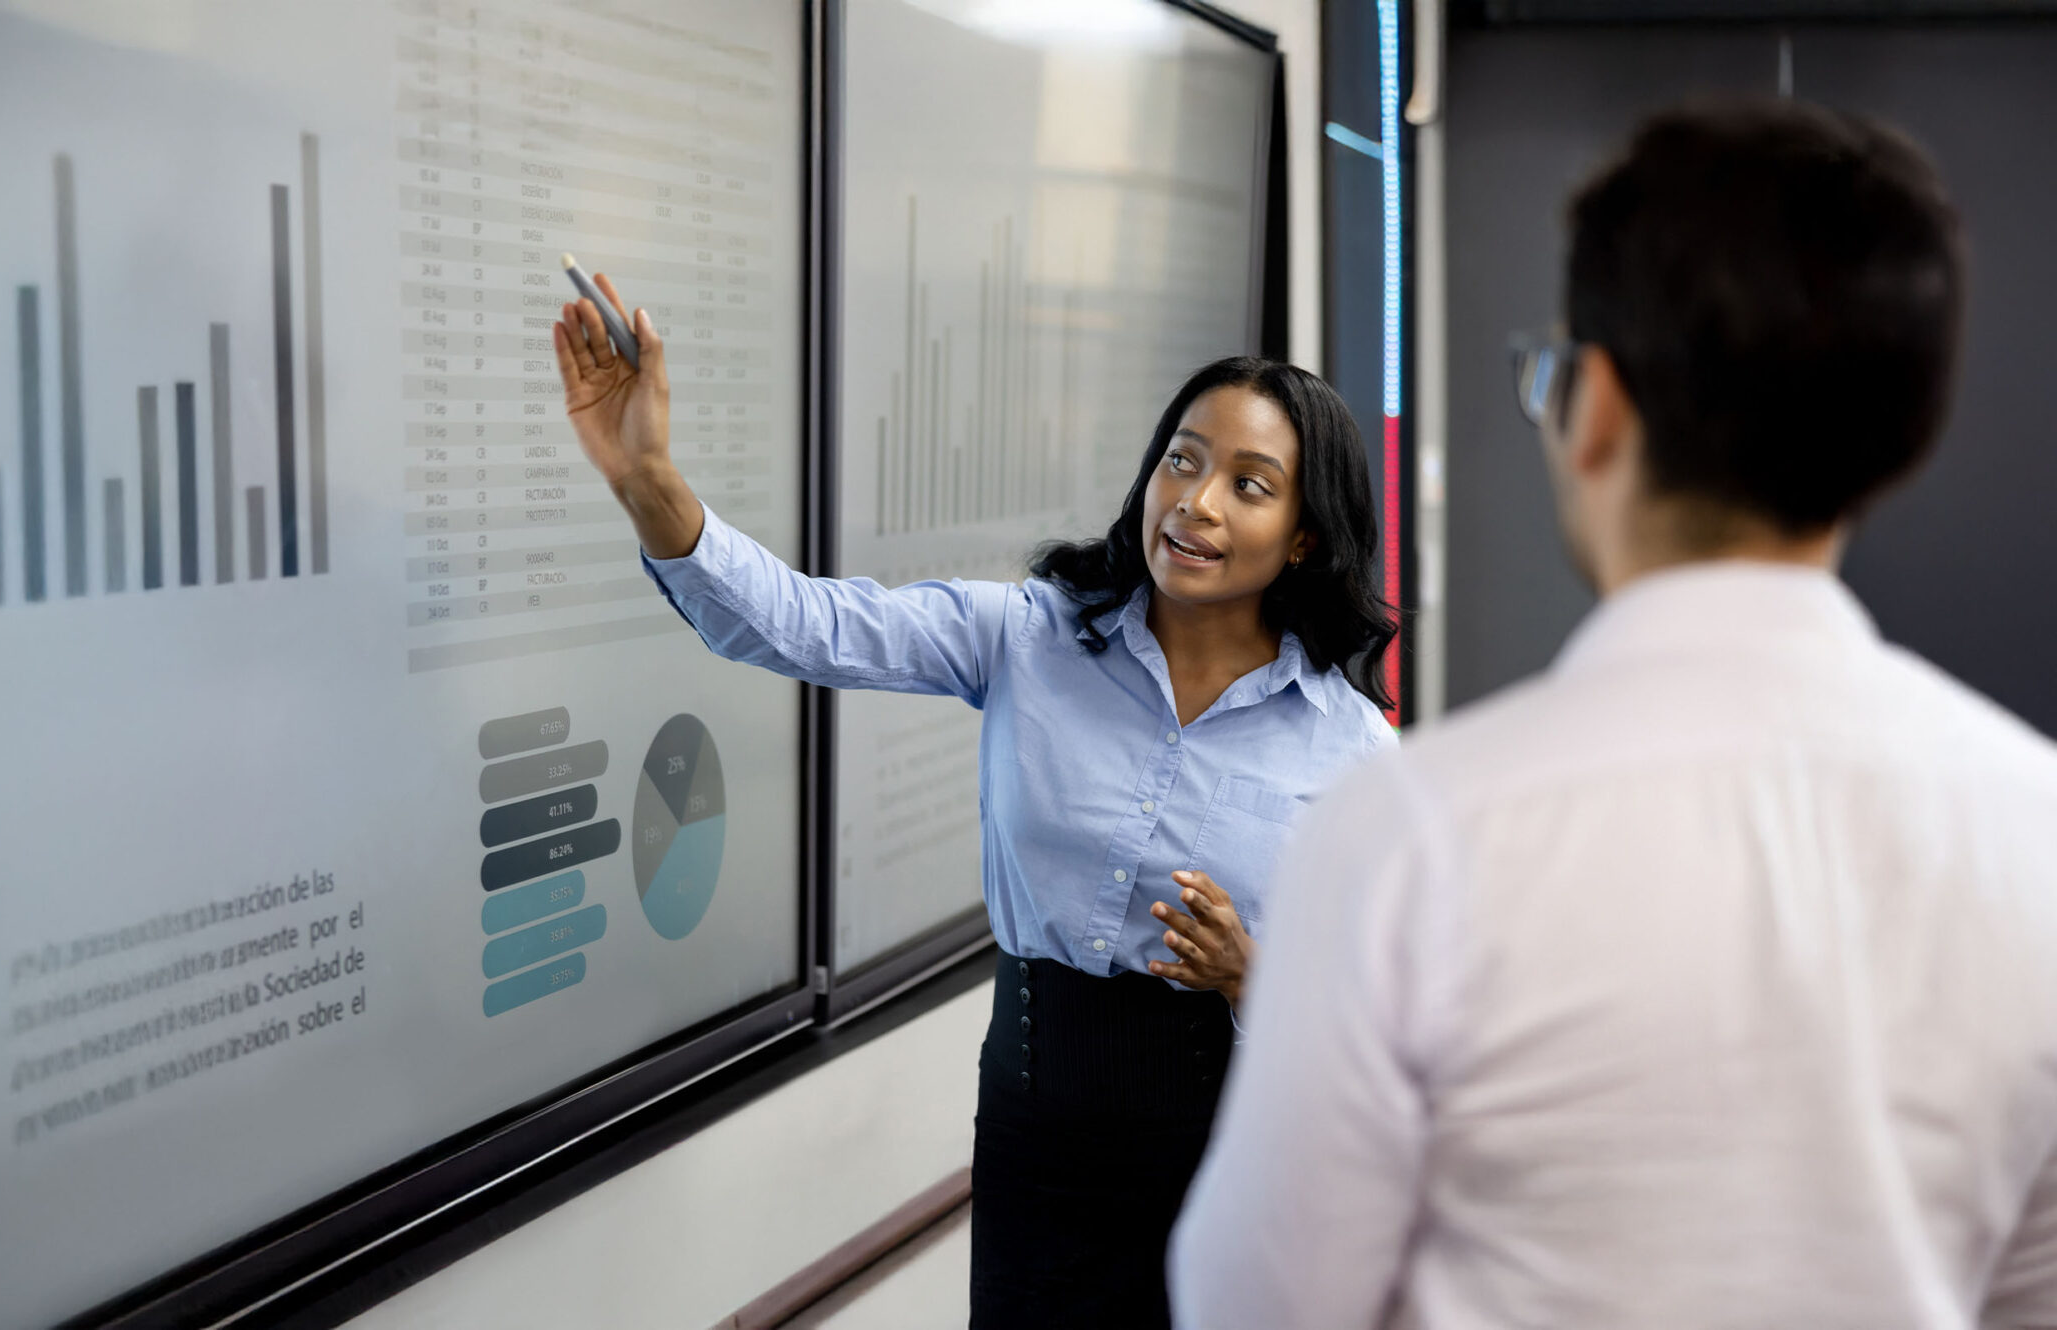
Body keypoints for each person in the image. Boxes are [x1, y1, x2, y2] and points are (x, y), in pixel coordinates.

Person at [1171, 99, 2057, 1327]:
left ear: (1595, 408)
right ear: (1895, 437)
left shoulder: (1408, 838)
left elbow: (1257, 1306)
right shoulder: (2034, 831)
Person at [553, 280, 1398, 1327]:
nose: (1196, 502)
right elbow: (802, 624)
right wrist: (647, 479)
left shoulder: (1350, 746)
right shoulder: (1029, 638)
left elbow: (1376, 1019)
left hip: (1231, 1151)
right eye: (1181, 458)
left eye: (1249, 483)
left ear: (1306, 537)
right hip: (1037, 1131)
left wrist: (1250, 975)